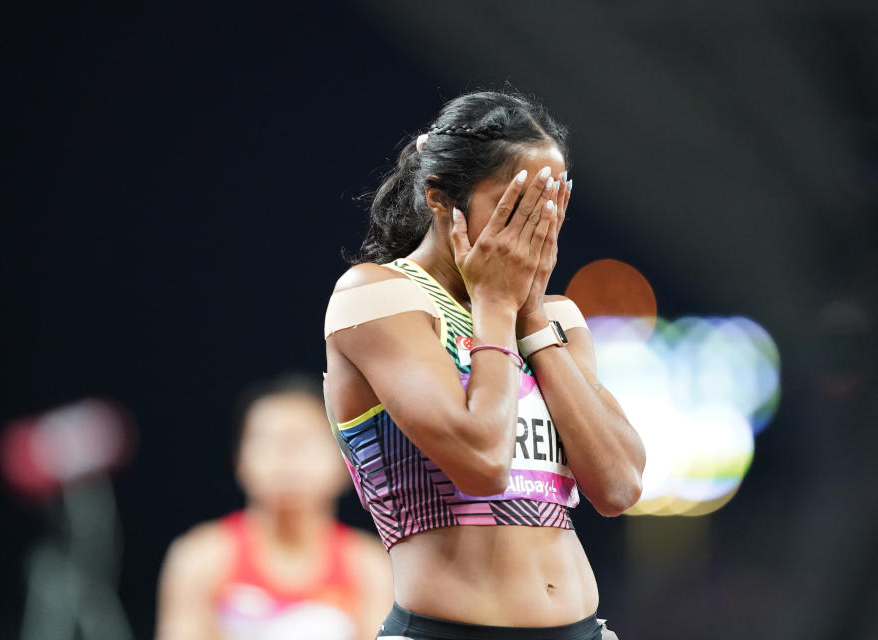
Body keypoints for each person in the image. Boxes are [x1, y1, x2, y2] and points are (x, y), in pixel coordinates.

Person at [323, 90, 645, 639]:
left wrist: (533, 316)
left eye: (549, 207)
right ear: (440, 201)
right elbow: (482, 463)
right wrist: (495, 307)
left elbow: (619, 486)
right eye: (515, 208)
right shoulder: (379, 298)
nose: (534, 230)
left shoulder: (557, 317)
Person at [156, 375, 393, 640]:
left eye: (304, 442)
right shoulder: (199, 558)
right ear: (239, 460)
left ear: (346, 463)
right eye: (269, 441)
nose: (287, 460)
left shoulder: (371, 569)